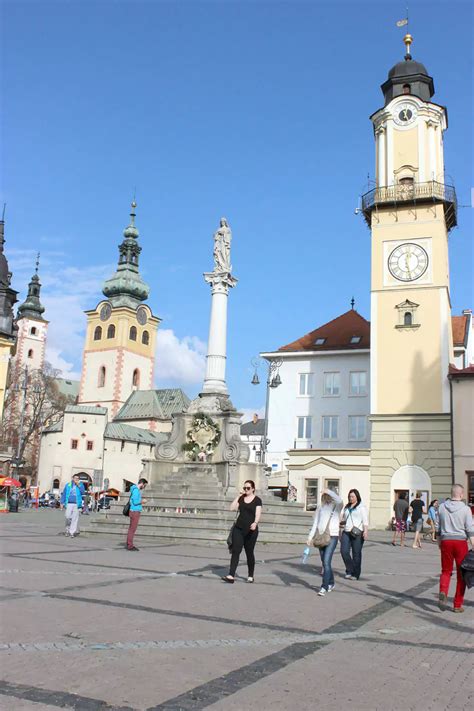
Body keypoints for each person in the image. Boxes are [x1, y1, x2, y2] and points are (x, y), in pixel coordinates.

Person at [438, 484, 474, 613]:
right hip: (460, 543)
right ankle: (457, 605)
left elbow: (439, 526)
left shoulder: (442, 507)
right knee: (462, 574)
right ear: (461, 494)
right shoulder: (466, 509)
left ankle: (443, 591)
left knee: (446, 571)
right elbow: (470, 530)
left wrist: (439, 541)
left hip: (446, 541)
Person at [222, 480, 262, 583]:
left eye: (248, 488)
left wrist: (255, 523)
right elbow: (231, 508)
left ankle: (250, 575)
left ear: (253, 489)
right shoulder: (241, 498)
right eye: (244, 488)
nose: (246, 490)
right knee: (236, 551)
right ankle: (231, 575)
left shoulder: (257, 500)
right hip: (238, 528)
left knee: (249, 552)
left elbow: (258, 514)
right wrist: (238, 496)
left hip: (251, 530)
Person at [307, 488, 343, 596]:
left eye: (327, 495)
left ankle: (324, 586)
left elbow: (340, 500)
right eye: (324, 494)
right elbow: (315, 524)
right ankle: (331, 582)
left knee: (326, 561)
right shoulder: (320, 507)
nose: (325, 496)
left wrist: (328, 491)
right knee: (324, 561)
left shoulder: (337, 506)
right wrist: (310, 537)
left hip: (333, 536)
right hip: (321, 536)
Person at [340, 489, 369, 580]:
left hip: (357, 533)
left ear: (357, 497)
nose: (350, 498)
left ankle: (355, 574)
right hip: (346, 531)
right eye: (349, 496)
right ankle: (349, 569)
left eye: (352, 496)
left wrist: (365, 531)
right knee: (344, 551)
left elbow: (365, 521)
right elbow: (344, 518)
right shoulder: (347, 507)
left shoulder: (361, 507)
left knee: (356, 554)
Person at [126, 478, 148, 551]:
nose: (144, 487)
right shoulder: (136, 490)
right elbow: (135, 502)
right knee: (132, 529)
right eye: (144, 485)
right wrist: (142, 501)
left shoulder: (134, 489)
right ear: (141, 483)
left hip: (133, 511)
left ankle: (129, 543)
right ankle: (130, 545)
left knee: (131, 529)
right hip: (135, 511)